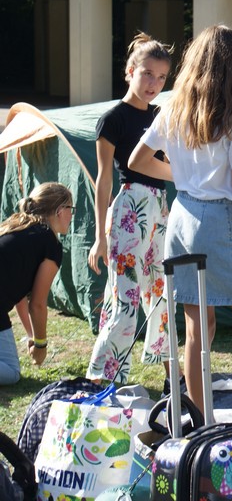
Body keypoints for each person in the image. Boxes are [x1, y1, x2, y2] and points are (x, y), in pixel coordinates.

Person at [129, 25, 232, 428]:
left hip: (181, 218)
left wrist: (181, 177)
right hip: (218, 222)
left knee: (198, 331)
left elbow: (138, 160)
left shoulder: (174, 107)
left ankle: (201, 428)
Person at [85, 32, 175, 387]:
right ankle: (100, 378)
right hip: (128, 209)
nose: (154, 83)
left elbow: (169, 163)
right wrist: (99, 238)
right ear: (130, 71)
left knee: (163, 292)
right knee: (127, 299)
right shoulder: (113, 119)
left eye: (162, 77)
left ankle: (173, 374)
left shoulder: (161, 116)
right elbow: (103, 179)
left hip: (160, 208)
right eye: (147, 74)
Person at [0, 183, 73, 385]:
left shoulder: (18, 226)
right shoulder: (50, 243)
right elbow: (38, 304)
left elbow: (20, 296)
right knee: (11, 372)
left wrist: (32, 336)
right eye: (71, 209)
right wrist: (41, 346)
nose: (71, 215)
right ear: (59, 211)